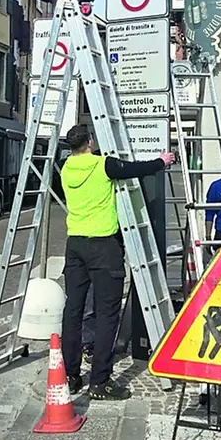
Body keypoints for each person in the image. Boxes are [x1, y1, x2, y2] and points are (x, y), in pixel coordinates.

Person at [60, 124, 175, 400]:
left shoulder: (66, 169)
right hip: (103, 245)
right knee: (107, 314)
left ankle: (71, 376)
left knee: (73, 311)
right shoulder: (103, 165)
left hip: (75, 244)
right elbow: (133, 169)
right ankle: (100, 381)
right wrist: (162, 161)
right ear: (89, 142)